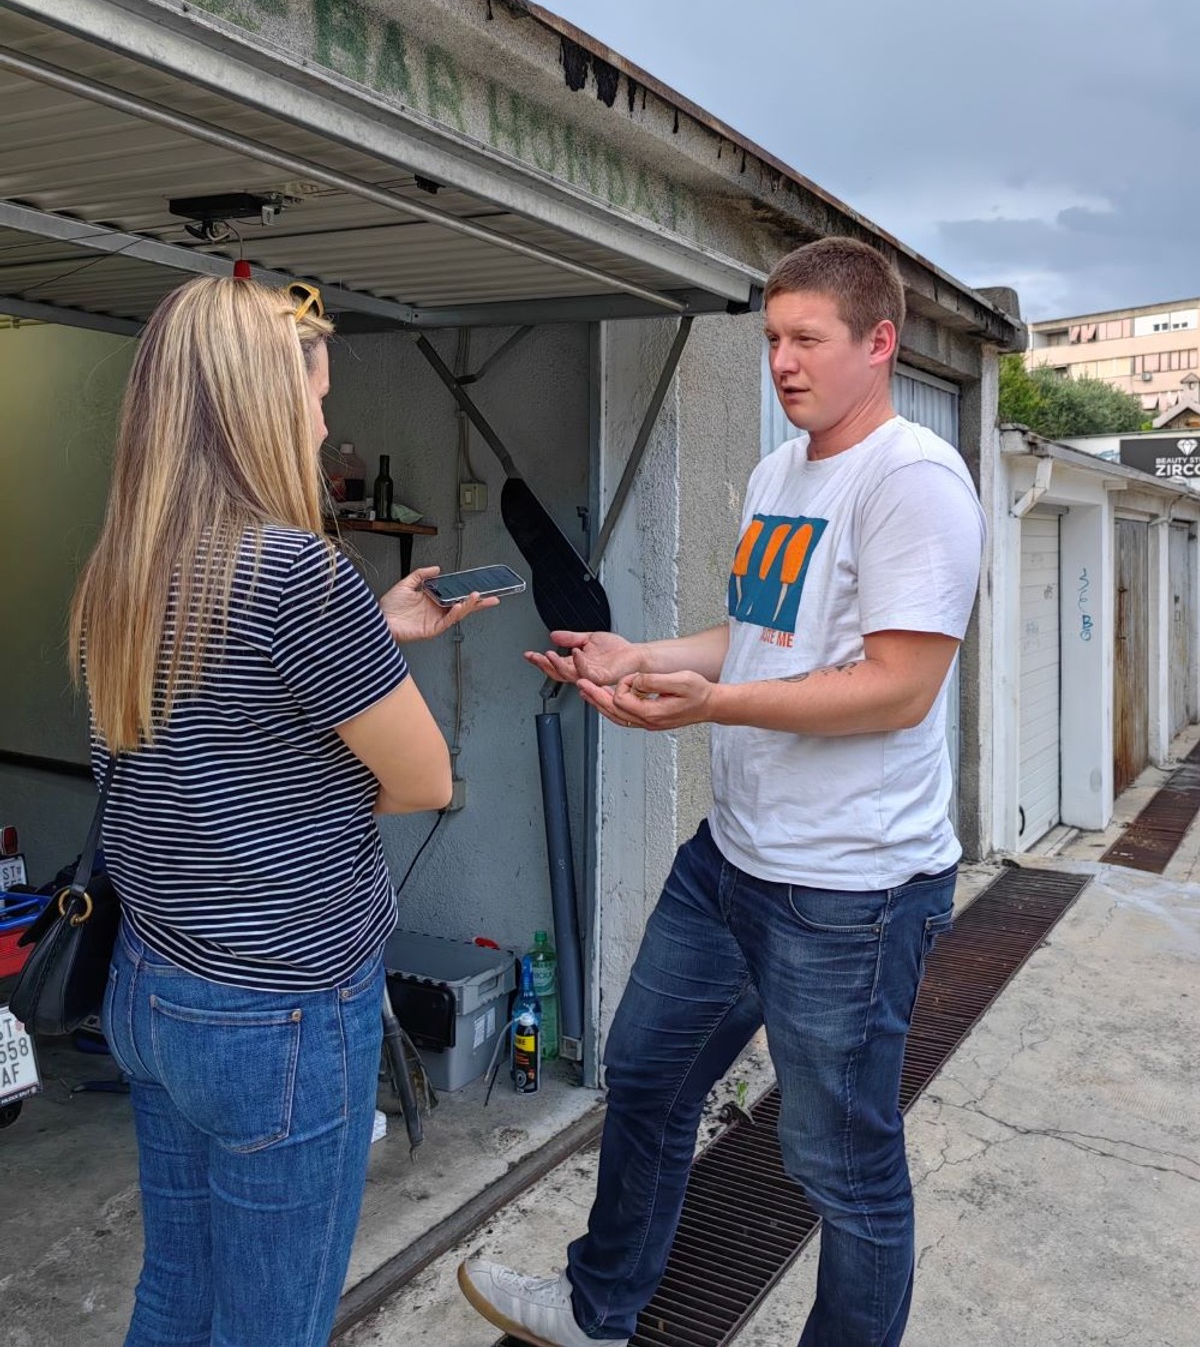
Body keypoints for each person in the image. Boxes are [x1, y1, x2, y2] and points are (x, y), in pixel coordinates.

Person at [460, 236, 985, 1347]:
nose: (783, 363)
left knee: (840, 1170)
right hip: (732, 861)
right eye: (772, 340)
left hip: (848, 891)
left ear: (878, 343)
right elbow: (756, 639)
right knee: (644, 1075)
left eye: (808, 340)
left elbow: (897, 688)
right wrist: (643, 653)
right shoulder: (776, 471)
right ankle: (599, 1311)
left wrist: (708, 707)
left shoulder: (915, 481)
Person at [78, 274, 492, 1347]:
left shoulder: (125, 566)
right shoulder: (297, 572)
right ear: (257, 407)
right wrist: (354, 640)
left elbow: (216, 721)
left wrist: (370, 636)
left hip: (151, 988)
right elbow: (423, 780)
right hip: (280, 1012)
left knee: (176, 1291)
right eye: (313, 394)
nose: (322, 422)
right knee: (274, 1324)